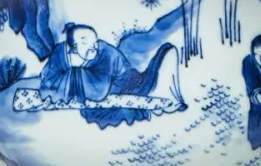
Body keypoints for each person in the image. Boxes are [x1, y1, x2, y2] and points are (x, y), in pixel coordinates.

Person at [39, 23, 178, 129]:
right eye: (85, 42)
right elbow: (48, 78)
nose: (93, 46)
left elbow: (99, 90)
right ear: (73, 47)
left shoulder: (106, 53)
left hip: (124, 82)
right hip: (100, 94)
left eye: (94, 41)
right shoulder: (60, 52)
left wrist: (72, 77)